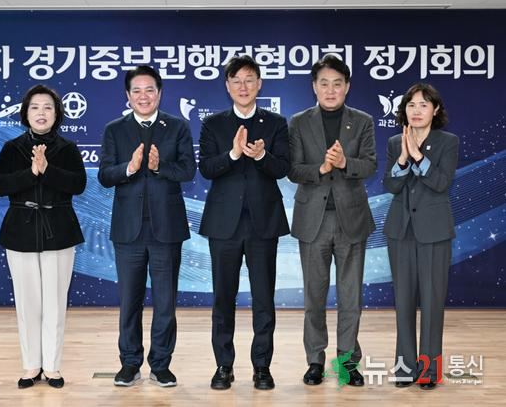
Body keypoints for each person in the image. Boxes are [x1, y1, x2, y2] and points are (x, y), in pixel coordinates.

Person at [98, 65, 196, 388]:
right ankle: (130, 363)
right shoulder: (115, 130)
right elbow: (105, 175)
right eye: (137, 91)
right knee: (130, 301)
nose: (143, 96)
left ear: (159, 93)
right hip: (128, 231)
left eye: (149, 90)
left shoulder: (177, 127)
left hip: (166, 229)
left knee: (165, 302)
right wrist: (129, 168)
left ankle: (161, 364)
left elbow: (188, 171)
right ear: (127, 96)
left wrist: (158, 166)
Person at [199, 55, 290, 391]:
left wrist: (261, 156)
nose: (243, 86)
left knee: (264, 299)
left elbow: (283, 168)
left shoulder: (276, 123)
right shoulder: (213, 124)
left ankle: (262, 367)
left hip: (263, 224)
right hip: (224, 225)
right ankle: (223, 365)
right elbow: (206, 168)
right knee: (223, 298)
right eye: (236, 80)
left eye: (249, 79)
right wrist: (234, 155)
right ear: (227, 86)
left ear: (259, 84)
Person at [288, 54, 376, 387]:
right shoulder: (299, 122)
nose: (330, 89)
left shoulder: (363, 121)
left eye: (337, 83)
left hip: (351, 218)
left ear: (347, 87)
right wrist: (322, 168)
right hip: (313, 220)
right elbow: (293, 169)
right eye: (324, 83)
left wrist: (343, 163)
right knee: (314, 296)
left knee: (351, 297)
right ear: (314, 86)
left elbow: (370, 165)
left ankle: (347, 362)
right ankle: (315, 360)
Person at [0, 84, 86, 389]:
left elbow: (78, 185)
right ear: (25, 113)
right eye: (34, 107)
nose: (41, 113)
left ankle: (53, 367)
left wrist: (47, 169)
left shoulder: (68, 148)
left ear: (57, 113)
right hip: (20, 229)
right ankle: (31, 365)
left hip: (59, 229)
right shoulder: (12, 148)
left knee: (55, 303)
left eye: (47, 107)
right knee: (27, 302)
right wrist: (31, 172)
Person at [383, 83, 458, 390]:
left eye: (423, 105)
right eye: (411, 105)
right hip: (400, 231)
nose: (416, 110)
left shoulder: (448, 142)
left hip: (434, 231)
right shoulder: (394, 142)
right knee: (403, 303)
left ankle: (428, 371)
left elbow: (441, 183)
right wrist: (403, 159)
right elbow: (391, 185)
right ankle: (404, 368)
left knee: (432, 303)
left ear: (435, 110)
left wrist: (417, 156)